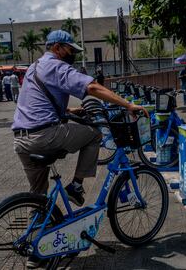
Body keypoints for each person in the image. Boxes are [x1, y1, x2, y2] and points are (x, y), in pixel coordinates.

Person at [12, 29, 146, 213]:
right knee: (93, 135)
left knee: (39, 197)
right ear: (57, 48)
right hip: (43, 136)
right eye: (71, 50)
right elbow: (91, 87)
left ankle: (35, 236)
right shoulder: (57, 66)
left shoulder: (34, 67)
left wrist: (70, 110)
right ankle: (76, 186)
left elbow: (36, 103)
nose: (73, 55)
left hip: (21, 141)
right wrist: (128, 105)